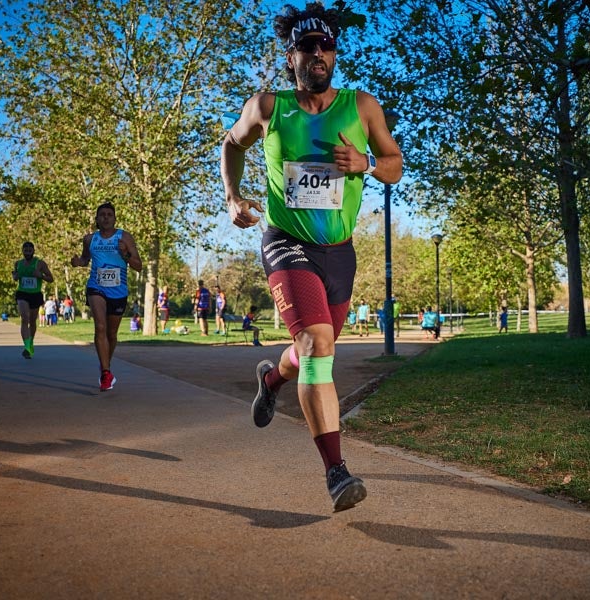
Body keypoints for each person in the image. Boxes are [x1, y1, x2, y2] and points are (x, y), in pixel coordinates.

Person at [221, 2, 402, 512]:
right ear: (290, 56)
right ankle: (337, 472)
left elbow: (394, 166)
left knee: (308, 354)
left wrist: (366, 162)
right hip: (286, 241)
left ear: (335, 53)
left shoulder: (362, 107)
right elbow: (231, 145)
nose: (316, 53)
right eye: (306, 46)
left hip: (339, 253)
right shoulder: (267, 107)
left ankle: (272, 378)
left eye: (325, 45)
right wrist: (233, 198)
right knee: (316, 343)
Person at [71, 202, 143, 391]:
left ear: (114, 218)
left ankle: (106, 367)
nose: (105, 217)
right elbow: (85, 259)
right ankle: (105, 372)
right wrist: (78, 262)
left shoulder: (125, 237)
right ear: (96, 219)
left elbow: (138, 265)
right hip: (96, 287)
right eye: (101, 214)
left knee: (111, 334)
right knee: (100, 327)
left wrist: (125, 254)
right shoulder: (89, 239)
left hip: (118, 290)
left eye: (109, 214)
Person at [13, 241, 54, 359]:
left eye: (30, 250)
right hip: (22, 293)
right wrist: (15, 276)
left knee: (32, 320)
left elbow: (51, 278)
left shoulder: (40, 263)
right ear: (22, 251)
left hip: (35, 295)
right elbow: (15, 276)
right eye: (25, 250)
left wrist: (40, 275)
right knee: (24, 318)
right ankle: (26, 347)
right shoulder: (18, 264)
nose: (27, 253)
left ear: (33, 251)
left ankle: (30, 343)